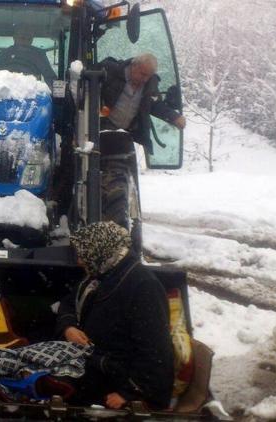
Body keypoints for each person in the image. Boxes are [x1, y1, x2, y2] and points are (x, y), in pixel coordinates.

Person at [56, 221, 174, 410]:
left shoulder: (143, 286)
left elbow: (156, 351)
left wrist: (130, 393)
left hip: (116, 380)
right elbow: (69, 303)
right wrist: (69, 327)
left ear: (100, 250)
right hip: (93, 366)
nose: (79, 260)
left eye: (82, 253)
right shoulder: (100, 276)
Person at [96, 53, 186, 257]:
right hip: (98, 130)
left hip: (123, 137)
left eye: (149, 75)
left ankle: (125, 233)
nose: (145, 78)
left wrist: (174, 116)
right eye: (143, 73)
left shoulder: (149, 85)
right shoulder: (110, 73)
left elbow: (155, 105)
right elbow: (87, 89)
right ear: (133, 66)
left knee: (120, 183)